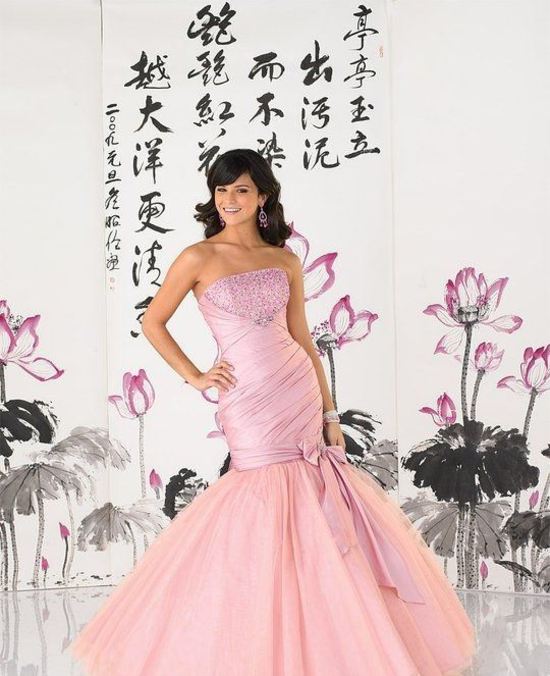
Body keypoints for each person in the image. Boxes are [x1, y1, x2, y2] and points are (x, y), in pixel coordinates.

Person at [69, 148, 477, 675]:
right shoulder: (198, 257)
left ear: (262, 196)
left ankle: (324, 640)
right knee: (257, 494)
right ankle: (256, 638)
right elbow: (153, 321)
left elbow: (302, 339)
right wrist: (196, 375)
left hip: (296, 389)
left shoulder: (284, 260)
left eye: (241, 189)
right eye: (221, 190)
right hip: (248, 399)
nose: (229, 199)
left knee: (310, 498)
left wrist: (330, 415)